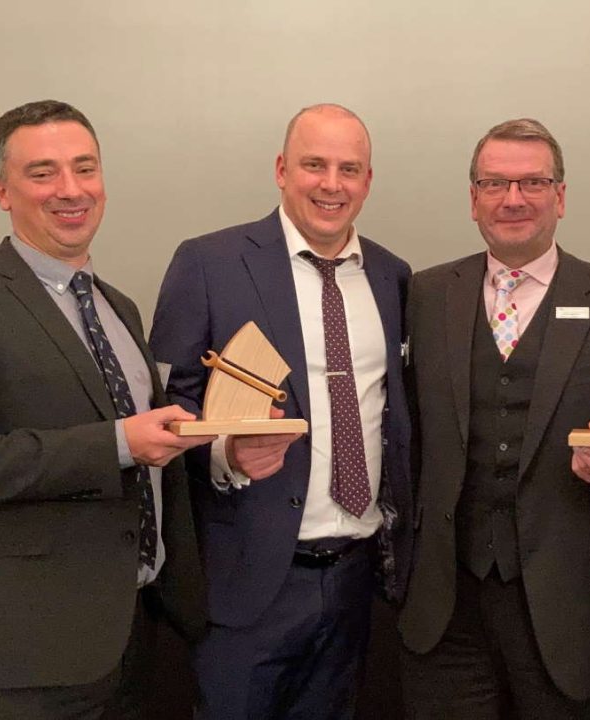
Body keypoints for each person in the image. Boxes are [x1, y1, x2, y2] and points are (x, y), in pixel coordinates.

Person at [0, 99, 211, 719]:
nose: (71, 190)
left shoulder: (118, 306)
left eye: (85, 168)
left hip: (130, 637)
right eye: (43, 173)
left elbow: (146, 445)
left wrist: (221, 445)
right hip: (23, 656)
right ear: (1, 191)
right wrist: (118, 443)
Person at [397, 118, 590, 719]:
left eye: (532, 181)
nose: (514, 198)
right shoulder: (424, 297)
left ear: (560, 195)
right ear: (472, 198)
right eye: (495, 183)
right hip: (446, 606)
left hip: (572, 608)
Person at [148, 103, 413, 720]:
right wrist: (226, 454)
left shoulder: (392, 277)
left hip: (355, 576)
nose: (331, 184)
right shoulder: (208, 264)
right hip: (247, 581)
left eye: (350, 169)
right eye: (314, 165)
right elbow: (168, 404)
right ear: (281, 170)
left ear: (368, 181)